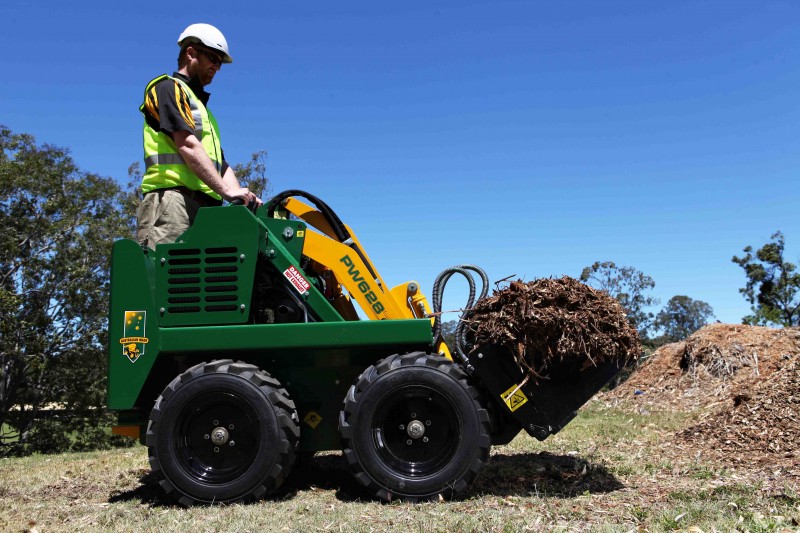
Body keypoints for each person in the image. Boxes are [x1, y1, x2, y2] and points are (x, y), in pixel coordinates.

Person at [136, 23, 261, 248]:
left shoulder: (204, 111)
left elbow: (221, 165)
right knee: (167, 279)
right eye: (213, 58)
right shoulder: (167, 88)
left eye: (220, 63)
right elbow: (187, 144)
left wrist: (244, 199)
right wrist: (226, 191)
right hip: (174, 203)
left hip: (206, 211)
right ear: (191, 52)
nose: (217, 67)